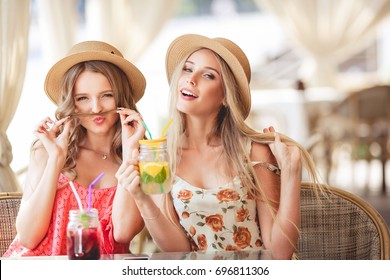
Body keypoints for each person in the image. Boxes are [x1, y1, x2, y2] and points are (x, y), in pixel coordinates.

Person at [119, 34, 322, 260]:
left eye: (208, 75)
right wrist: (141, 198)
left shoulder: (253, 152)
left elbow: (280, 253)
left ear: (225, 96)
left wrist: (292, 173)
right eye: (187, 69)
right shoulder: (161, 156)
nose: (191, 79)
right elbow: (176, 248)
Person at [3, 41, 146, 257]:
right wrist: (56, 160)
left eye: (106, 95)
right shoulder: (45, 151)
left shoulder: (141, 158)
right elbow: (28, 237)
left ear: (121, 97)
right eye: (83, 99)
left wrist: (129, 155)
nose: (96, 108)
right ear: (72, 103)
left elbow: (123, 234)